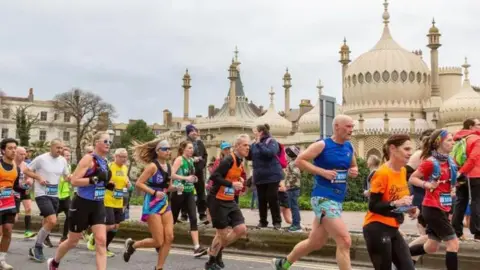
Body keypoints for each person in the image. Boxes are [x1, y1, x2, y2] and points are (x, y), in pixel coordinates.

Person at [271, 115, 358, 270]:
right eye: (348, 127)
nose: (351, 130)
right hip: (323, 198)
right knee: (345, 240)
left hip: (337, 199)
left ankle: (282, 264)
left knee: (315, 242)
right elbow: (299, 161)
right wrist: (322, 172)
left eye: (352, 127)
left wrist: (354, 171)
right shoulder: (322, 145)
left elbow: (353, 165)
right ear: (337, 127)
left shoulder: (349, 147)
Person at [47, 132, 112, 270]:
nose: (108, 144)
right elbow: (74, 181)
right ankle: (54, 262)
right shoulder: (88, 159)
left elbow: (100, 180)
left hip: (98, 204)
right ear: (97, 142)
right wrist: (94, 179)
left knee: (101, 241)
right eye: (105, 141)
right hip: (82, 204)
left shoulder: (105, 162)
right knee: (72, 241)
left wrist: (107, 184)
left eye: (110, 142)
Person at [362, 134, 416, 270]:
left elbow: (396, 204)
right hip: (376, 228)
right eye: (407, 149)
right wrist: (396, 203)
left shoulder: (403, 171)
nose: (410, 153)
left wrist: (409, 208)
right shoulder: (382, 173)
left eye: (411, 150)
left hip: (393, 228)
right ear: (393, 149)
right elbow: (373, 206)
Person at [409, 129, 460, 270]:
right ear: (439, 142)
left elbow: (450, 183)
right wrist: (427, 184)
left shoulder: (451, 161)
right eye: (449, 140)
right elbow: (412, 178)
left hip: (445, 206)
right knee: (453, 243)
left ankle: (400, 255)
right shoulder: (430, 162)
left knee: (431, 247)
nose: (453, 142)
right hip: (432, 208)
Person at [123, 140, 178, 270]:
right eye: (165, 149)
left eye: (169, 149)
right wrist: (154, 192)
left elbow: (168, 187)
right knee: (158, 241)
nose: (168, 151)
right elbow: (139, 183)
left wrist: (176, 188)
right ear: (157, 151)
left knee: (169, 237)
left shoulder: (169, 167)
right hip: (152, 204)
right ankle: (133, 245)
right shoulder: (152, 166)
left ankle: (159, 267)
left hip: (164, 204)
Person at [204, 134, 250, 270]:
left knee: (241, 229)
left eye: (248, 145)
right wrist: (231, 185)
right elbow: (214, 176)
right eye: (245, 145)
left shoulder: (240, 161)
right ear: (237, 146)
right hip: (217, 200)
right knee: (222, 234)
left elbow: (234, 176)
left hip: (230, 200)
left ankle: (215, 251)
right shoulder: (229, 159)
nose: (248, 148)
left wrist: (240, 181)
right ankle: (211, 261)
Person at [23, 139, 70, 262]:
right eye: (58, 148)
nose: (60, 150)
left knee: (47, 222)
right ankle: (38, 247)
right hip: (41, 194)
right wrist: (38, 177)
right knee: (52, 220)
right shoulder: (41, 159)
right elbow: (26, 170)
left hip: (55, 195)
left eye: (62, 148)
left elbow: (66, 176)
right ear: (51, 147)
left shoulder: (63, 160)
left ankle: (35, 248)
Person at [87, 148, 131, 257]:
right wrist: (108, 182)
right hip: (107, 200)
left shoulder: (125, 168)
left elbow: (125, 179)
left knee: (116, 227)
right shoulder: (109, 166)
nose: (124, 159)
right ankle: (94, 236)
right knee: (110, 225)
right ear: (115, 157)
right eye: (121, 156)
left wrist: (128, 183)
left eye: (125, 156)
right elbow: (102, 180)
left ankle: (105, 247)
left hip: (119, 201)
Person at [170, 141, 208, 257]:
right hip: (178, 192)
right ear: (183, 149)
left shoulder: (191, 160)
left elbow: (191, 173)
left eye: (192, 148)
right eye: (190, 148)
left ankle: (196, 247)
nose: (192, 150)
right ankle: (163, 241)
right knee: (173, 219)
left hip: (190, 192)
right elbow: (171, 174)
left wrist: (194, 179)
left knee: (193, 218)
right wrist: (185, 178)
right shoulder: (179, 160)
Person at [249, 123, 284, 229]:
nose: (253, 133)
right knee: (261, 199)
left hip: (272, 175)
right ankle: (263, 221)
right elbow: (250, 157)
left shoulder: (271, 141)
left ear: (261, 132)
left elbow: (270, 153)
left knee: (272, 198)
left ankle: (277, 222)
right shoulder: (254, 144)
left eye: (255, 131)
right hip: (260, 176)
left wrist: (259, 144)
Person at [451, 118, 480, 241]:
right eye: (478, 124)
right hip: (475, 175)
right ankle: (478, 232)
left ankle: (456, 231)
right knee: (477, 202)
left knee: (460, 201)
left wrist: (459, 172)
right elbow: (474, 158)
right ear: (471, 127)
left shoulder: (459, 139)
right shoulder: (476, 139)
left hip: (462, 175)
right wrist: (463, 171)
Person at [0, 138, 21, 269]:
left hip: (9, 203)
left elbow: (17, 189)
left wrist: (17, 209)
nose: (13, 151)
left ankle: (1, 260)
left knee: (8, 230)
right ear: (3, 150)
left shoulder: (16, 168)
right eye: (10, 148)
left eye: (15, 148)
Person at [181, 124, 208, 223]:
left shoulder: (200, 143)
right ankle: (184, 214)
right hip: (187, 172)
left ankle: (202, 214)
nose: (195, 133)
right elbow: (181, 156)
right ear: (188, 133)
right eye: (192, 131)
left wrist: (202, 164)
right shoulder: (184, 143)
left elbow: (205, 155)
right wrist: (192, 159)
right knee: (186, 192)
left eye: (196, 131)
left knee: (201, 192)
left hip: (199, 171)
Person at [13, 147, 36, 239]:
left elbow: (30, 177)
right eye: (21, 154)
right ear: (15, 154)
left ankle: (27, 231)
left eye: (24, 154)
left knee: (28, 208)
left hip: (24, 189)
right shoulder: (11, 164)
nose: (23, 156)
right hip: (14, 191)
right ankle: (7, 231)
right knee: (15, 215)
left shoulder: (26, 165)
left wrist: (30, 182)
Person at [285, 145, 302, 233]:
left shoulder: (292, 163)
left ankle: (296, 225)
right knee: (293, 206)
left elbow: (297, 174)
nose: (285, 156)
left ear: (289, 154)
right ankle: (295, 224)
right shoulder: (292, 162)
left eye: (286, 154)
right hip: (293, 187)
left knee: (294, 207)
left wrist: (289, 184)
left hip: (293, 188)